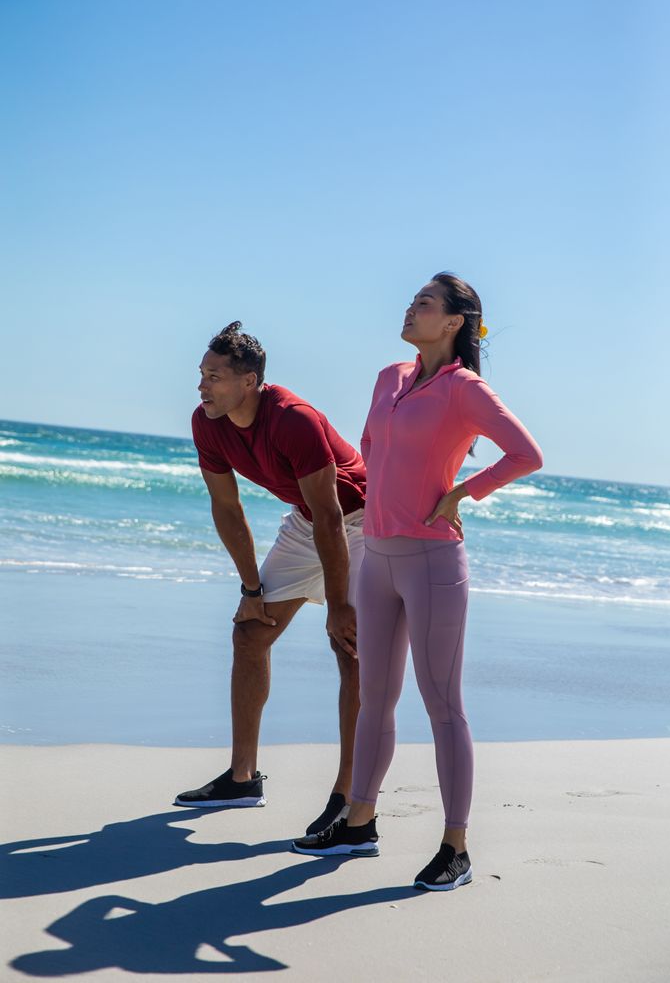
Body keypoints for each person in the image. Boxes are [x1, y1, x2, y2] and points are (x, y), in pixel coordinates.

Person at [292, 274, 543, 889]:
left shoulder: (466, 390)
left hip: (432, 563)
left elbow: (526, 454)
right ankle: (359, 822)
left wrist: (463, 491)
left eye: (424, 303)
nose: (411, 307)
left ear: (454, 322)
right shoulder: (390, 378)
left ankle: (455, 847)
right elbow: (371, 449)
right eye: (412, 300)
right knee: (374, 697)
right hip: (375, 558)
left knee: (442, 705)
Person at [174, 322, 366, 835]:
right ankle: (242, 779)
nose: (201, 386)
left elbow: (333, 517)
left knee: (350, 653)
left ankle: (349, 795)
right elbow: (227, 507)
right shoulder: (207, 422)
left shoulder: (293, 420)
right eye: (201, 374)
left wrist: (340, 603)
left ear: (250, 381)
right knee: (250, 633)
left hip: (365, 523)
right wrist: (251, 590)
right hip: (309, 524)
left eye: (213, 376)